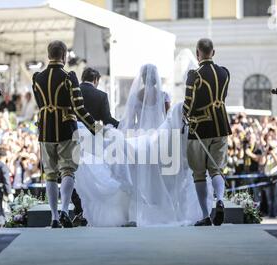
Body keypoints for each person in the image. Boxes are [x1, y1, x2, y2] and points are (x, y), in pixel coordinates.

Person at [74, 64, 203, 227]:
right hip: (159, 139)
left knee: (137, 175)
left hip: (139, 137)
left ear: (141, 79)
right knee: (160, 176)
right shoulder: (164, 96)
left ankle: (134, 214)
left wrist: (119, 133)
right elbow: (167, 119)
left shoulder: (137, 96)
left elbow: (130, 121)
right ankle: (163, 209)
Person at [32, 40, 100, 229]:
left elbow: (40, 104)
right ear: (64, 56)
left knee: (50, 175)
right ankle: (63, 211)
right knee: (68, 170)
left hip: (45, 129)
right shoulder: (69, 77)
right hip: (66, 129)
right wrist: (96, 128)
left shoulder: (37, 78)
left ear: (48, 55)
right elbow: (78, 107)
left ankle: (54, 218)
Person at [183, 38, 232, 227]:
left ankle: (205, 215)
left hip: (200, 128)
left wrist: (184, 115)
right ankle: (219, 198)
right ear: (214, 52)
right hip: (221, 126)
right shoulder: (225, 73)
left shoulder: (194, 75)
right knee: (217, 169)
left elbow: (188, 103)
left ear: (197, 53)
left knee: (199, 173)